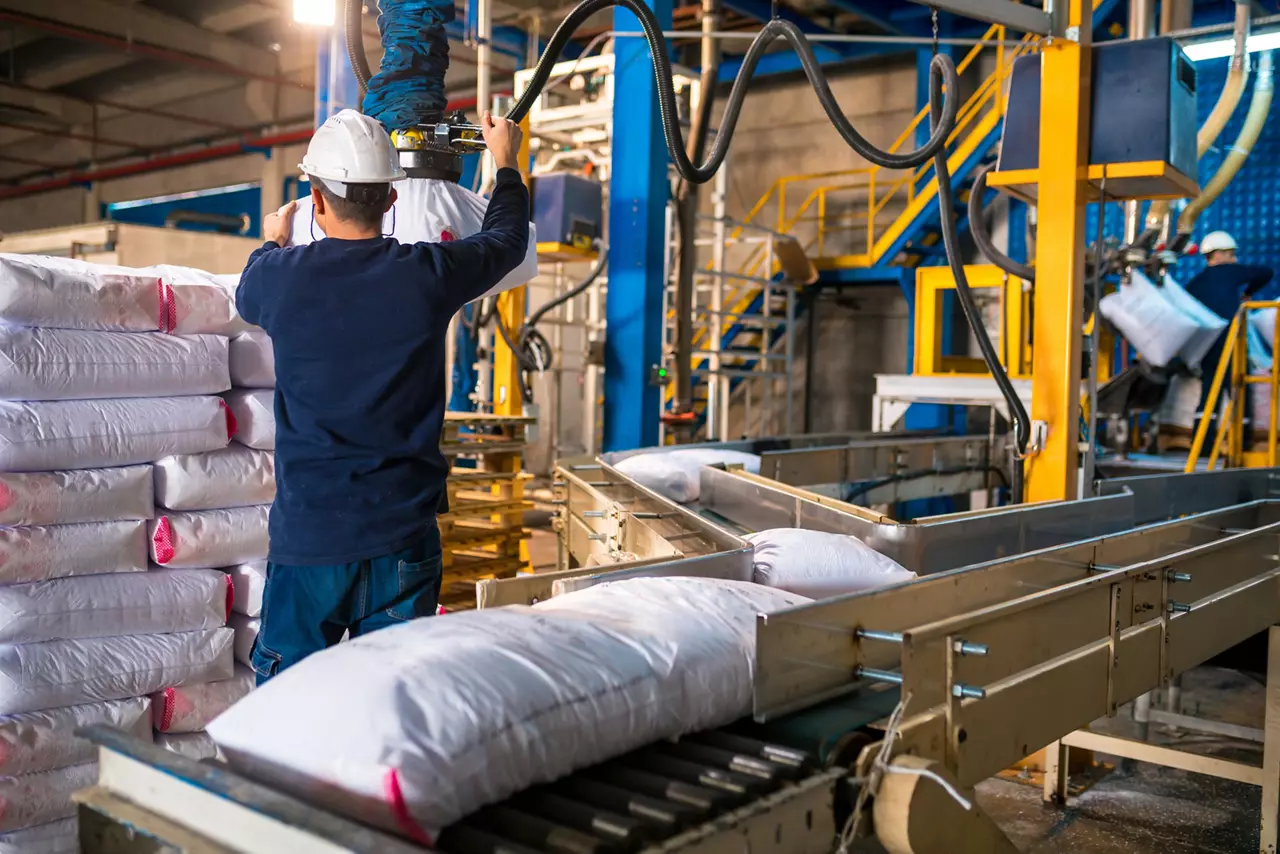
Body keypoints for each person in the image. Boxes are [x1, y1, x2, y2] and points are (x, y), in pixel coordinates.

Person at [235, 109, 529, 683]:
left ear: (316, 201)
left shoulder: (280, 277)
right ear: (391, 200)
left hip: (311, 540)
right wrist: (506, 162)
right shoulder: (427, 275)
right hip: (403, 539)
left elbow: (250, 288)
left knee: (287, 707)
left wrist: (271, 240)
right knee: (391, 699)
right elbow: (506, 241)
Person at [1184, 231, 1273, 447]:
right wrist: (1248, 293)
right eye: (1230, 254)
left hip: (1206, 347)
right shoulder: (1229, 272)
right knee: (1239, 393)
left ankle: (1202, 446)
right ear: (1217, 255)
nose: (1234, 259)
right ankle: (1242, 445)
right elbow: (1265, 273)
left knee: (1208, 395)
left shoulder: (1194, 283)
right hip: (1231, 343)